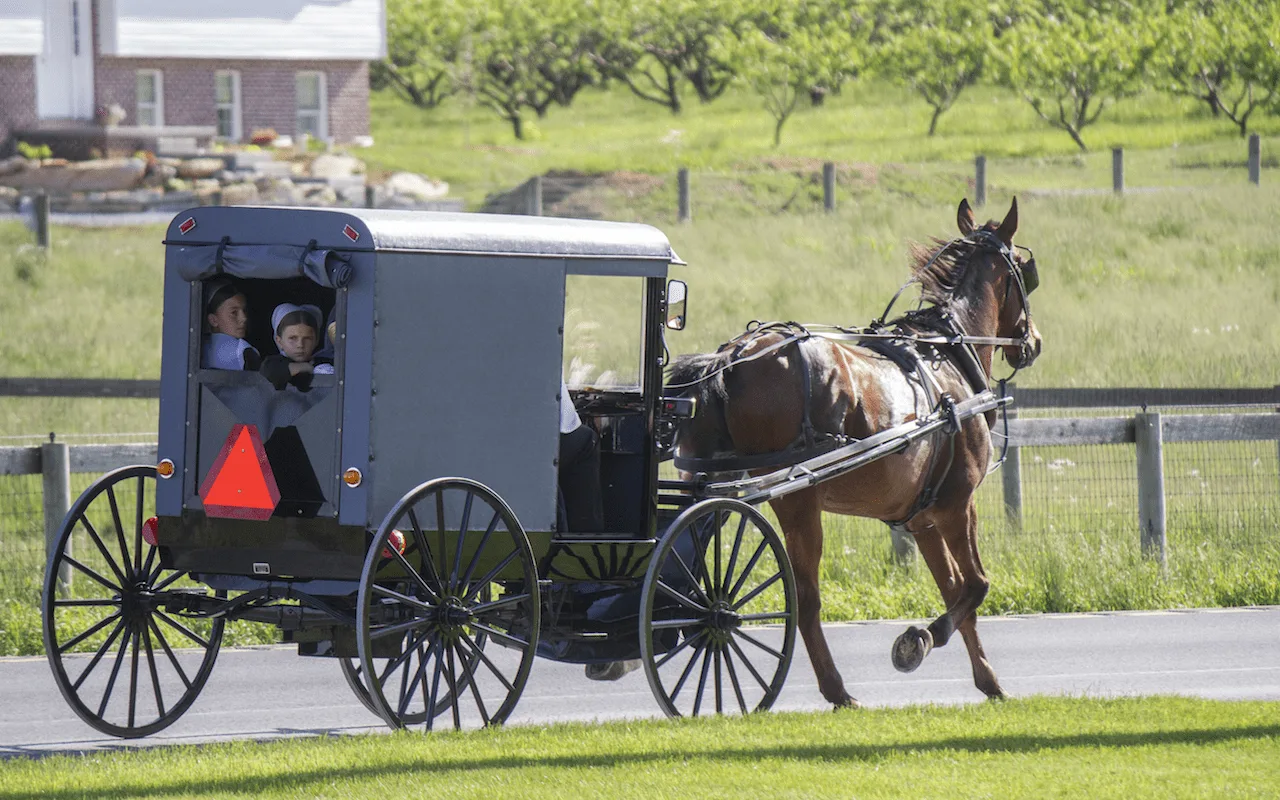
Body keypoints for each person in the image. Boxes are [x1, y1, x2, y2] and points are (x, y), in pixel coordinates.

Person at [259, 303, 333, 391]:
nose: (300, 345)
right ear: (279, 341)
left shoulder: (325, 362)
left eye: (307, 338)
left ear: (316, 340)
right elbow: (270, 371)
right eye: (293, 338)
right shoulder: (273, 363)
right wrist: (305, 367)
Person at [202, 279, 260, 370]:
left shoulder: (197, 349)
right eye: (234, 313)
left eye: (244, 311)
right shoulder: (244, 352)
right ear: (213, 320)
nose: (244, 318)